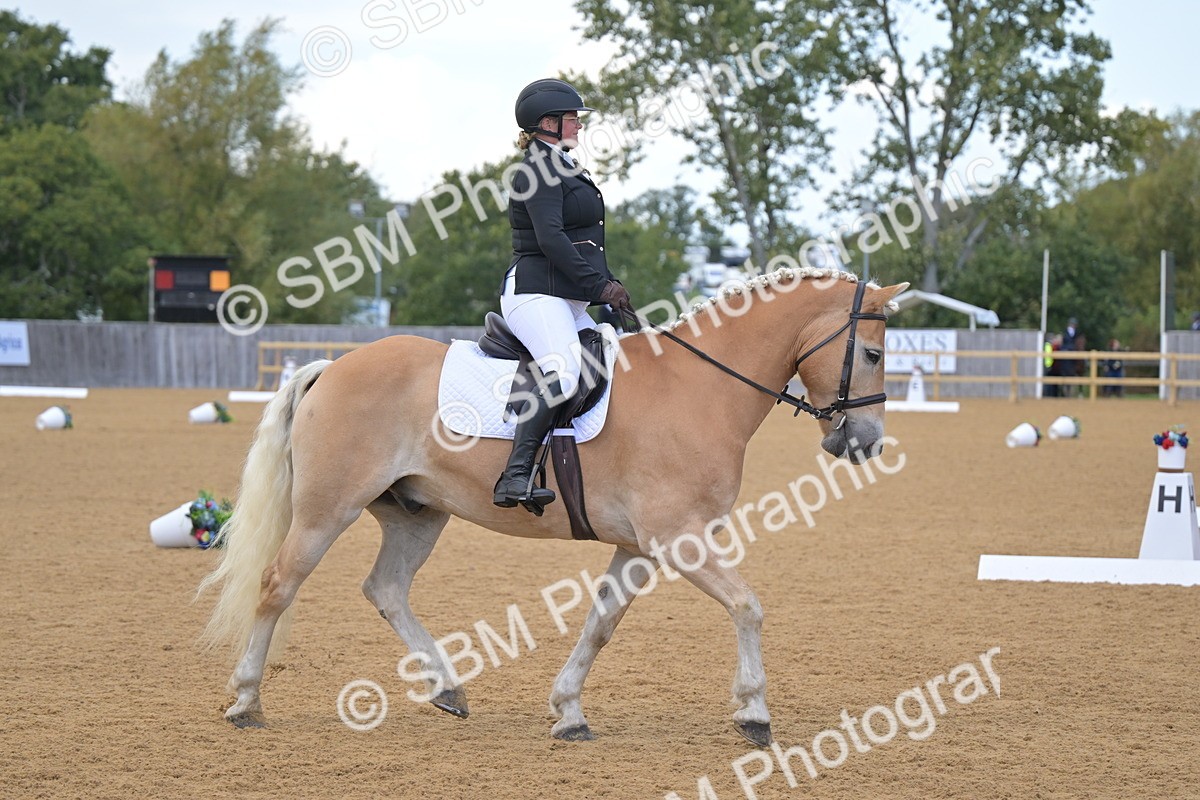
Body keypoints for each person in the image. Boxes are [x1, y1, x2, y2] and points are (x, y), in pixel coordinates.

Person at [493, 78, 632, 512]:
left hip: (566, 297)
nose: (579, 125)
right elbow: (551, 239)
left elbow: (586, 241)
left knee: (612, 357)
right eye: (572, 118)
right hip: (534, 294)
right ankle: (515, 476)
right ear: (547, 123)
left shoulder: (563, 165)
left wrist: (608, 289)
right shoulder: (536, 170)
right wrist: (598, 286)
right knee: (566, 371)